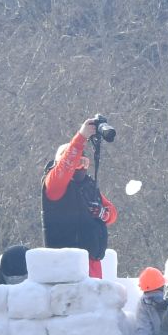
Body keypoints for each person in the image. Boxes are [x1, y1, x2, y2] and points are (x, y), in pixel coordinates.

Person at [40, 117, 117, 278]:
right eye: (76, 161)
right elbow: (66, 166)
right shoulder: (54, 184)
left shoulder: (87, 186)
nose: (80, 166)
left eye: (83, 161)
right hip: (66, 268)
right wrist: (81, 137)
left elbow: (112, 213)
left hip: (93, 265)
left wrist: (103, 214)